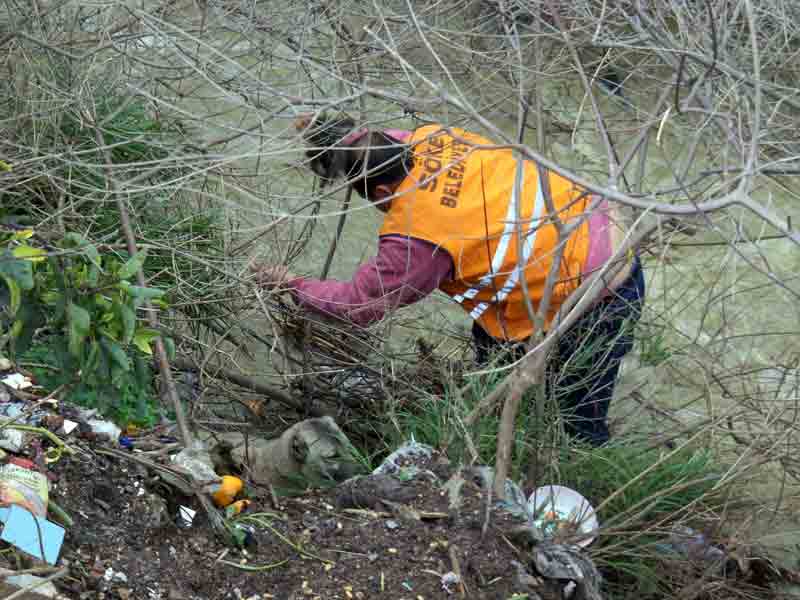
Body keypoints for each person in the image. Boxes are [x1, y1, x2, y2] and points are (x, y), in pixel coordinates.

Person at [253, 114, 645, 446]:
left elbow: (358, 305)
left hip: (598, 295)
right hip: (603, 228)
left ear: (386, 190)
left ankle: (583, 480)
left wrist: (289, 283)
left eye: (375, 198)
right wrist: (324, 133)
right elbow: (372, 144)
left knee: (578, 420)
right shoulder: (433, 137)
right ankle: (504, 419)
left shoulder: (418, 235)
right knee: (494, 349)